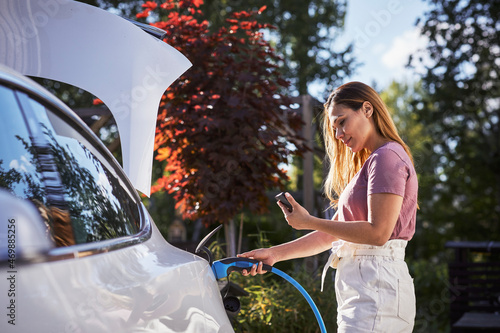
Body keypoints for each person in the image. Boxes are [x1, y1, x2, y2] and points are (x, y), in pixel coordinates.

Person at [238, 81, 418, 332]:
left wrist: (309, 221)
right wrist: (275, 254)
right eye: (334, 128)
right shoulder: (372, 162)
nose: (338, 134)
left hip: (377, 291)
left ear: (367, 109)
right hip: (367, 290)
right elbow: (334, 234)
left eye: (342, 121)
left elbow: (378, 234)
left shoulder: (386, 157)